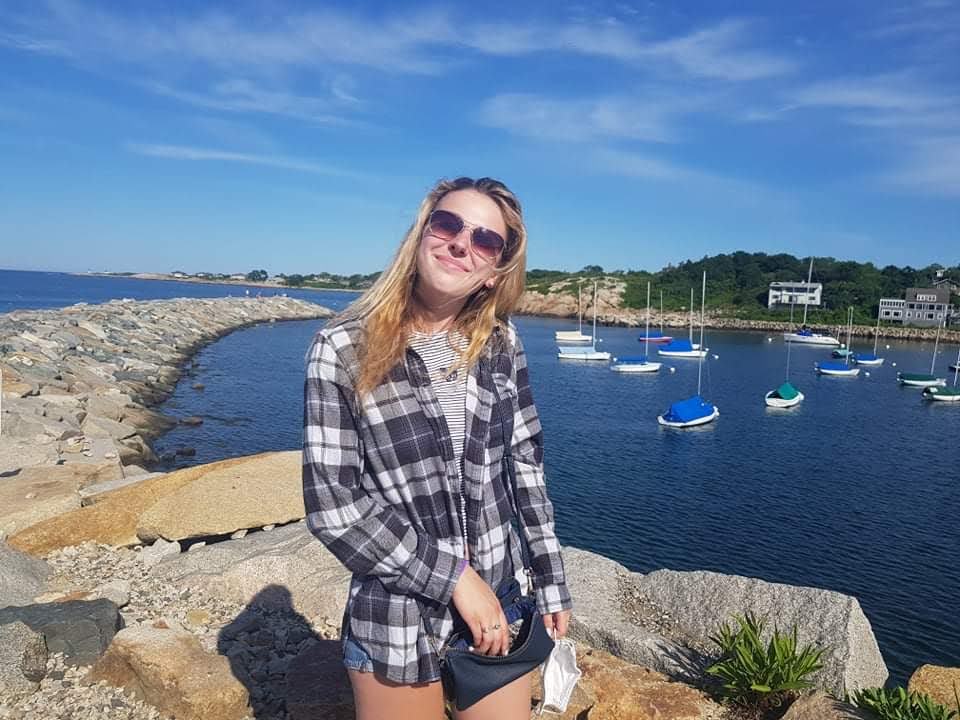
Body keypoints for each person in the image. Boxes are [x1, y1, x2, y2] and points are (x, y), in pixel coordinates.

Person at [302, 177, 572, 720]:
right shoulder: (341, 348)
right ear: (422, 233)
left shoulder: (501, 343)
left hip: (497, 604)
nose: (460, 244)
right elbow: (333, 508)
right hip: (396, 615)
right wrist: (454, 579)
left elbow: (524, 463)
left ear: (495, 270)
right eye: (447, 224)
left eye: (485, 240)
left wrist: (550, 578)